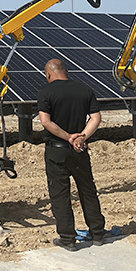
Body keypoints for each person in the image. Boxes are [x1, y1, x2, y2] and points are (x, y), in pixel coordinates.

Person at [37, 58, 106, 251]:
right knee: (87, 190)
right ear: (66, 71)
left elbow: (45, 121)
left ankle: (67, 239)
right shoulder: (84, 90)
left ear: (48, 74)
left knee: (60, 194)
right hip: (80, 150)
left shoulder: (46, 92)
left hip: (56, 150)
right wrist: (81, 137)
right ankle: (98, 234)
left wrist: (68, 137)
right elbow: (96, 117)